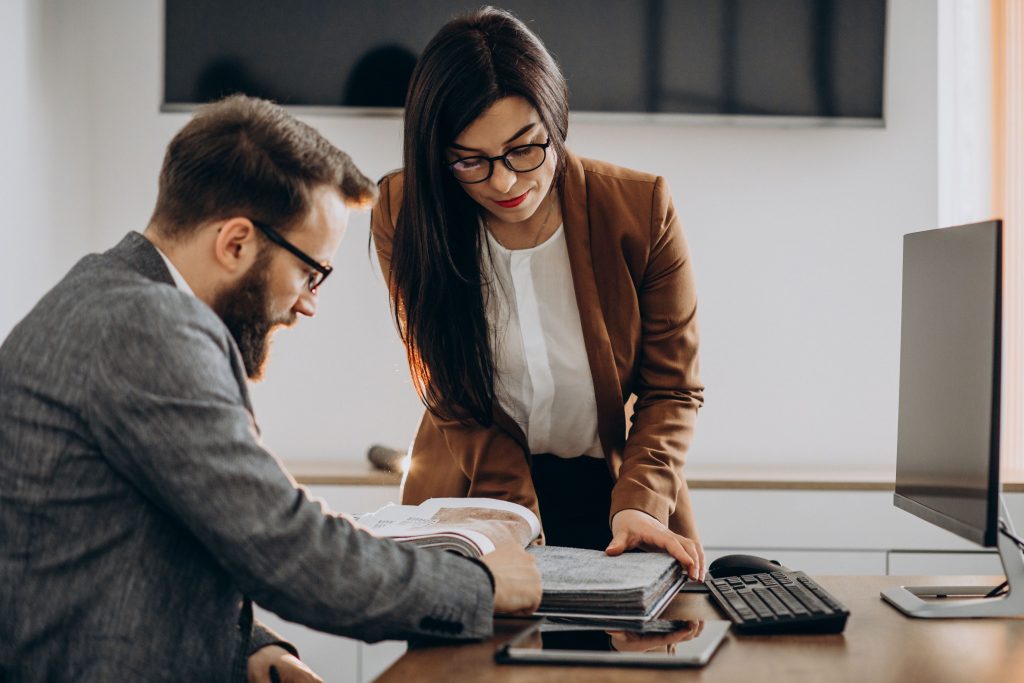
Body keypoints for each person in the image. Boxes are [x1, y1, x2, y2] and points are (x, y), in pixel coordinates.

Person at [0, 94, 540, 683]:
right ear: (235, 242)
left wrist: (253, 648)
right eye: (312, 272)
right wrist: (481, 585)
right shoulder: (148, 327)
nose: (309, 302)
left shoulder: (106, 294)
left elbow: (157, 538)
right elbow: (283, 543)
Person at [371, 8, 706, 581]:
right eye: (469, 160)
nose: (503, 182)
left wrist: (641, 500)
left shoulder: (638, 208)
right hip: (472, 492)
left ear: (556, 120)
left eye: (524, 150)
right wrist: (510, 513)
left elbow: (672, 388)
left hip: (618, 497)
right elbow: (444, 383)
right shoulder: (406, 212)